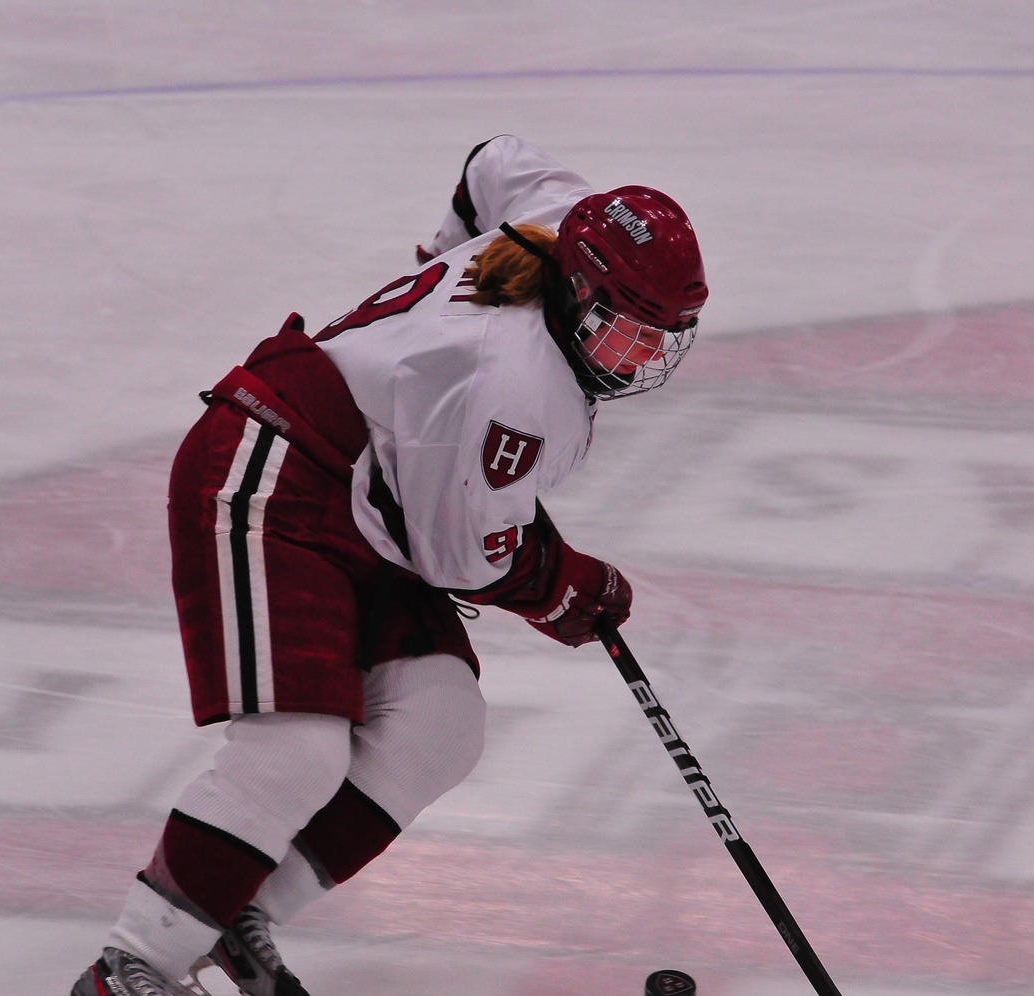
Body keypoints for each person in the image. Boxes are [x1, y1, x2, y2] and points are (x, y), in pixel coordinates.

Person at [71, 135, 709, 996]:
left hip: (372, 495)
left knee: (442, 725)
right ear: (584, 288)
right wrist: (564, 587)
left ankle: (237, 912)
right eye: (630, 334)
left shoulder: (561, 218)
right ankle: (133, 964)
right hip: (277, 467)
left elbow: (493, 159)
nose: (641, 361)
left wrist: (440, 282)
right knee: (295, 750)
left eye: (660, 339)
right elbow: (461, 557)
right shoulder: (517, 388)